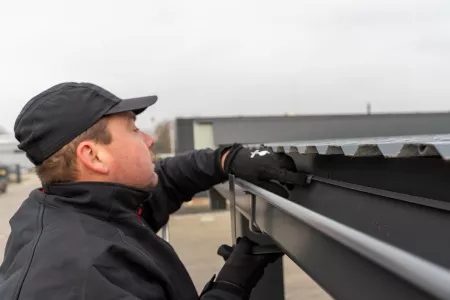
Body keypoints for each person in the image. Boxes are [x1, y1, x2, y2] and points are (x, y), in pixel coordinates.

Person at [0, 82, 304, 300]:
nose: (148, 139)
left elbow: (168, 181)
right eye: (133, 129)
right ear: (93, 156)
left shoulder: (76, 206)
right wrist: (228, 290)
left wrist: (224, 160)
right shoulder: (82, 281)